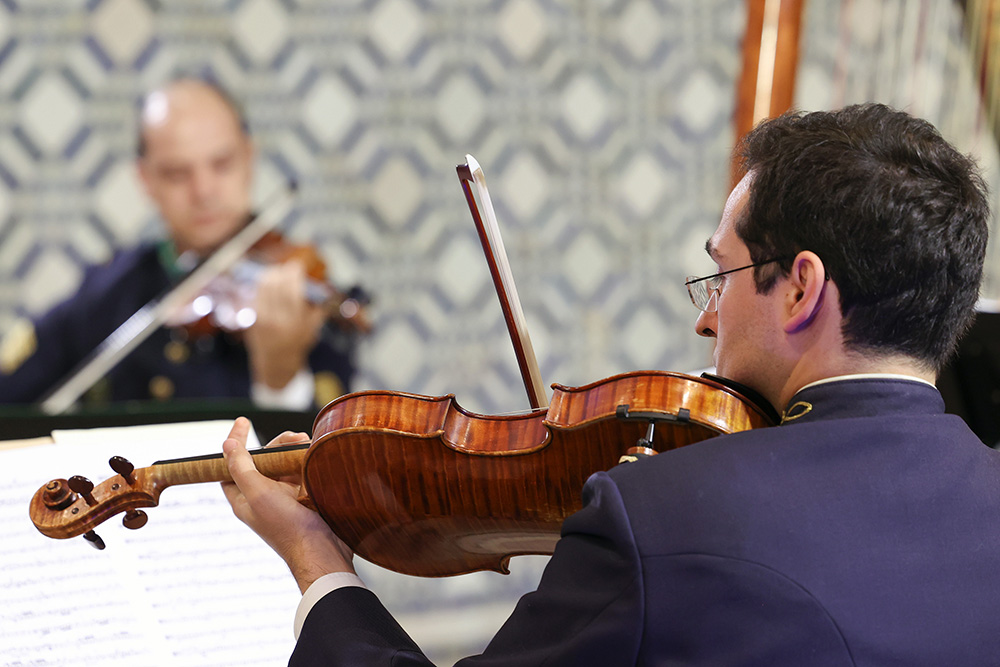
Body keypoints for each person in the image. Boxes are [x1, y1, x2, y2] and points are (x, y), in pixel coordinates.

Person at [219, 103, 1000, 665]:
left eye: (721, 274)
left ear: (801, 288)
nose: (706, 321)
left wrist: (317, 564)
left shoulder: (661, 516)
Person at [0, 78, 359, 410]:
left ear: (249, 159)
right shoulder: (108, 291)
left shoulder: (305, 292)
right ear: (145, 180)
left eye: (221, 164)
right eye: (176, 173)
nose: (203, 191)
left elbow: (330, 456)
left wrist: (279, 377)